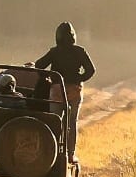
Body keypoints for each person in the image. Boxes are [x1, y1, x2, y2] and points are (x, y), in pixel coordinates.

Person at [33, 21, 95, 160]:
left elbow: (39, 65)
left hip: (57, 89)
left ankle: (51, 153)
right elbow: (91, 70)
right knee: (72, 122)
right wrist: (79, 78)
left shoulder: (54, 52)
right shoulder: (80, 51)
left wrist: (48, 77)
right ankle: (70, 154)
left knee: (55, 121)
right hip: (75, 90)